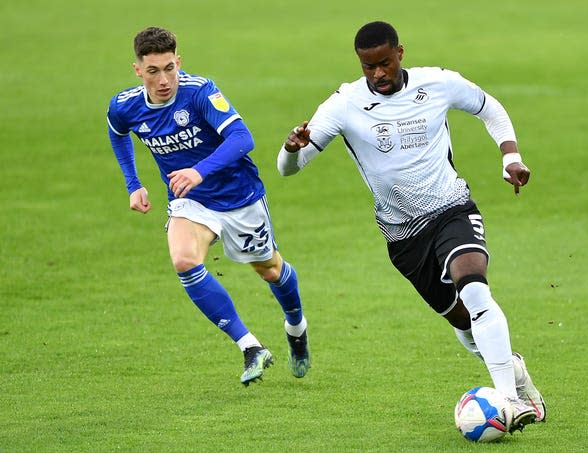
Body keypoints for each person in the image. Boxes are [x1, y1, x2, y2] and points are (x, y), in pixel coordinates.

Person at [277, 21, 545, 432]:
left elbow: (490, 107)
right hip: (403, 235)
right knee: (463, 324)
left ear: (400, 53)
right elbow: (288, 170)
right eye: (369, 67)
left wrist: (511, 157)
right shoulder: (344, 104)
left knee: (474, 288)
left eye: (384, 63)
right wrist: (291, 150)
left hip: (452, 207)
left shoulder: (438, 83)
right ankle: (515, 371)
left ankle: (508, 400)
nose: (378, 74)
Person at [106, 27, 310, 386]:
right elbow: (118, 131)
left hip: (238, 197)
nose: (164, 79)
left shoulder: (200, 92)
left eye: (169, 68)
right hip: (191, 203)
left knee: (270, 270)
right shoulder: (126, 105)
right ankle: (250, 347)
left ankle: (296, 326)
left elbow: (242, 138)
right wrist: (133, 183)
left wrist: (199, 171)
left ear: (178, 61)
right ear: (138, 70)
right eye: (153, 71)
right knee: (184, 260)